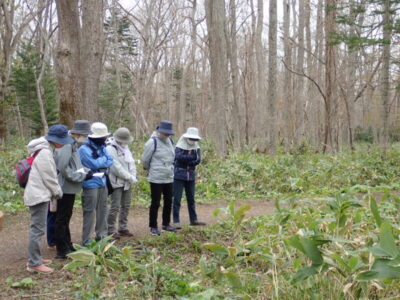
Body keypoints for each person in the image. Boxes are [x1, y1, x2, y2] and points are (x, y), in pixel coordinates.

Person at [25, 124, 74, 274]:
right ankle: (34, 263)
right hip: (38, 195)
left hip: (39, 192)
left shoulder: (43, 148)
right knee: (37, 230)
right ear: (56, 140)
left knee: (38, 228)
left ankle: (37, 259)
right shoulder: (45, 153)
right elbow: (50, 177)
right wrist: (58, 192)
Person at [54, 120, 93, 259]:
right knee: (62, 218)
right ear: (77, 133)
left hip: (70, 186)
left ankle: (67, 244)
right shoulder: (67, 145)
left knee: (66, 216)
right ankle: (61, 249)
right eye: (85, 134)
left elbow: (75, 165)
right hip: (65, 186)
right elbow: (63, 167)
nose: (86, 137)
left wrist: (87, 172)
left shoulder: (73, 144)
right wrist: (79, 177)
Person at [79, 122, 113, 246]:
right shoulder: (83, 149)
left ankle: (102, 236)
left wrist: (101, 162)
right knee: (89, 211)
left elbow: (110, 160)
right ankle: (86, 240)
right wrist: (102, 161)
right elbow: (94, 164)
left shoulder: (102, 147)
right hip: (90, 184)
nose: (104, 139)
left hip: (103, 182)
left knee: (103, 210)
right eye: (102, 137)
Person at [142, 120, 176, 235]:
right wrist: (151, 169)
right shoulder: (152, 142)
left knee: (168, 201)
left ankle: (166, 224)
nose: (167, 135)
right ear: (159, 131)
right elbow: (145, 160)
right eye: (165, 133)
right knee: (155, 202)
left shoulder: (170, 141)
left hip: (169, 176)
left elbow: (173, 157)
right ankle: (153, 226)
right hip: (156, 177)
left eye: (168, 133)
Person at [106, 127, 137, 239]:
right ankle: (110, 229)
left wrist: (133, 176)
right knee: (115, 206)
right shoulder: (111, 148)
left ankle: (123, 227)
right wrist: (129, 177)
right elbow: (115, 167)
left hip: (127, 182)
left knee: (126, 205)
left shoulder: (125, 148)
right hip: (116, 182)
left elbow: (131, 163)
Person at [173, 127, 206, 229]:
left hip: (190, 176)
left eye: (195, 139)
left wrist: (187, 160)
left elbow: (198, 160)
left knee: (191, 199)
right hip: (178, 175)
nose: (193, 141)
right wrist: (191, 158)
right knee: (177, 199)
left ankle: (193, 219)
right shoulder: (179, 146)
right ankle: (176, 221)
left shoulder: (196, 147)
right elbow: (178, 157)